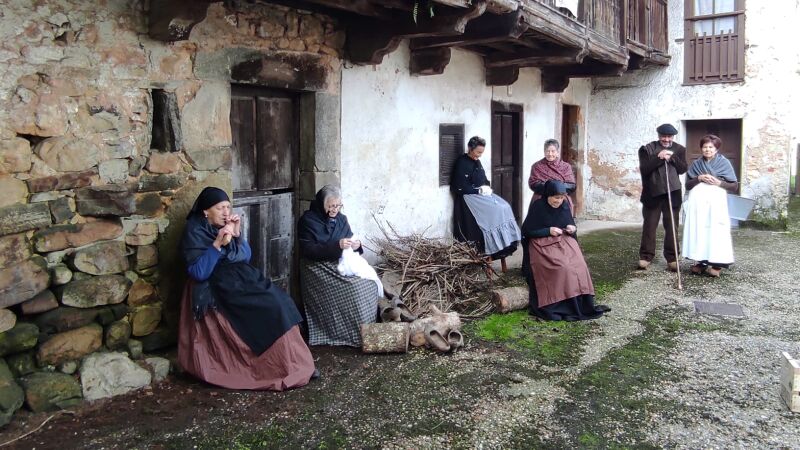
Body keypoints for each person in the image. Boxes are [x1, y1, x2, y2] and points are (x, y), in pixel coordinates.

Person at [178, 187, 317, 390]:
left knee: (281, 301)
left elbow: (245, 256)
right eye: (220, 208)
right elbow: (199, 272)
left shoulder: (225, 227)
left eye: (228, 207)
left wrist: (237, 235)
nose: (226, 213)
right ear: (205, 211)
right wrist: (217, 244)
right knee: (269, 308)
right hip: (217, 286)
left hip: (240, 279)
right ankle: (280, 368)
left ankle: (297, 364)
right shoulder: (194, 232)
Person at [297, 185, 381, 347]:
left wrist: (356, 245)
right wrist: (337, 246)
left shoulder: (342, 219)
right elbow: (308, 250)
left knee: (369, 283)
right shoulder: (308, 221)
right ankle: (353, 334)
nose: (335, 209)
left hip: (340, 263)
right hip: (317, 266)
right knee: (355, 288)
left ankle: (368, 331)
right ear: (321, 204)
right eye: (331, 206)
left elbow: (349, 240)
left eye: (338, 205)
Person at [521, 180, 608, 321]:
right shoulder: (538, 206)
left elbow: (570, 223)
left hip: (563, 240)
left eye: (561, 198)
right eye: (556, 198)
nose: (559, 201)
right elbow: (528, 231)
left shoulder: (564, 205)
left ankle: (580, 303)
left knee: (579, 265)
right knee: (563, 267)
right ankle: (561, 305)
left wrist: (572, 228)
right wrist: (548, 230)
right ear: (548, 195)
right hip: (541, 245)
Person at [450, 135, 520, 260]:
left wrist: (486, 187)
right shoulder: (461, 163)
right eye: (478, 152)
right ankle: (492, 246)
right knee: (497, 210)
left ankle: (505, 244)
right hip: (469, 198)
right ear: (470, 148)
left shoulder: (477, 161)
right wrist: (477, 190)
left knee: (505, 206)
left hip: (481, 195)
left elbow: (483, 179)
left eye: (481, 153)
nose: (480, 155)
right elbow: (458, 187)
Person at [682, 135, 739, 277]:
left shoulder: (724, 163)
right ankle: (701, 261)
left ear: (716, 149)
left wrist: (720, 183)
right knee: (700, 230)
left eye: (711, 147)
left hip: (716, 203)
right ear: (701, 148)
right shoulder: (697, 164)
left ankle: (717, 264)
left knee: (716, 230)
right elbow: (688, 185)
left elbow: (734, 186)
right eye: (705, 147)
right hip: (699, 203)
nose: (707, 150)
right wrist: (699, 178)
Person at [637, 123, 688, 272]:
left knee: (672, 226)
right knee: (650, 226)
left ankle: (672, 258)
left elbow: (683, 169)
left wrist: (672, 157)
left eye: (669, 136)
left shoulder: (679, 149)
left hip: (673, 193)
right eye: (663, 136)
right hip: (652, 194)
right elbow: (645, 169)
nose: (666, 139)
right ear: (658, 135)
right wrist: (658, 158)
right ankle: (646, 256)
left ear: (673, 137)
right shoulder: (647, 149)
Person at [528, 138, 576, 214]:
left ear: (557, 152)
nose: (550, 154)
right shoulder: (537, 166)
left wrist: (557, 189)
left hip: (561, 199)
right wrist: (550, 189)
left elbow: (572, 186)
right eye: (548, 151)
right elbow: (533, 184)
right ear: (544, 152)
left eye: (553, 151)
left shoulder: (566, 167)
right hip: (542, 197)